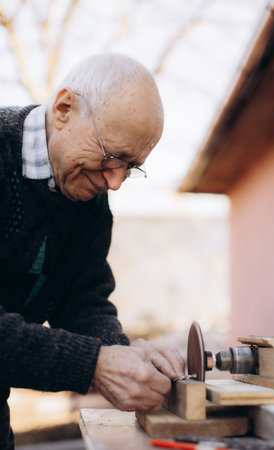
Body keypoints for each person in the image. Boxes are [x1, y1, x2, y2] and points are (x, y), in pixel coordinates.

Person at [0, 53, 185, 449]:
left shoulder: (86, 193)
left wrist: (124, 359)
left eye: (131, 166)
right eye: (113, 157)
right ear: (65, 108)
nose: (116, 182)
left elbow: (81, 300)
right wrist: (93, 364)